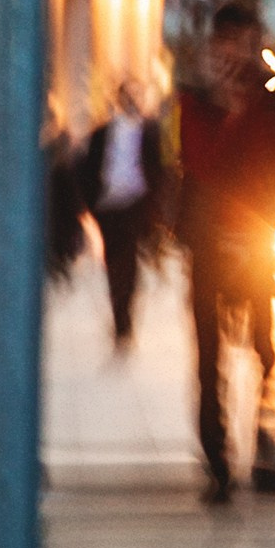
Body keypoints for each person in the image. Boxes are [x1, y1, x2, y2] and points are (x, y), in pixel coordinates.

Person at [177, 0, 275, 502]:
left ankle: (268, 447)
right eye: (234, 44)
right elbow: (199, 165)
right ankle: (218, 463)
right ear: (215, 46)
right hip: (207, 243)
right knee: (210, 360)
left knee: (267, 350)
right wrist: (227, 112)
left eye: (252, 45)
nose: (245, 56)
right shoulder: (194, 103)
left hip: (255, 244)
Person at [81, 80, 166, 349]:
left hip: (135, 205)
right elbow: (86, 168)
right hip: (108, 207)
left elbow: (159, 171)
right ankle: (119, 313)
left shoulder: (149, 131)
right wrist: (91, 204)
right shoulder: (103, 132)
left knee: (128, 265)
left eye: (135, 95)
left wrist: (157, 210)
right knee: (113, 263)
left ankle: (123, 322)